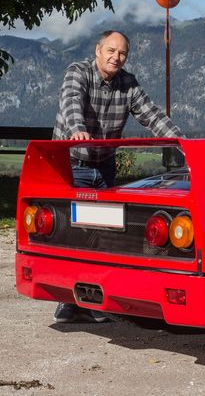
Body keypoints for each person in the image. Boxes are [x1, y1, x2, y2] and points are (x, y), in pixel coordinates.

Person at [51, 30, 183, 323]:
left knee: (107, 233)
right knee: (75, 232)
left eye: (122, 53)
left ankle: (97, 298)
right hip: (73, 163)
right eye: (111, 51)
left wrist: (182, 143)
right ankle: (69, 302)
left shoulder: (128, 83)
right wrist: (77, 130)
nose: (116, 57)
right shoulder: (79, 73)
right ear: (98, 50)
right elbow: (71, 102)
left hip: (105, 165)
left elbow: (151, 115)